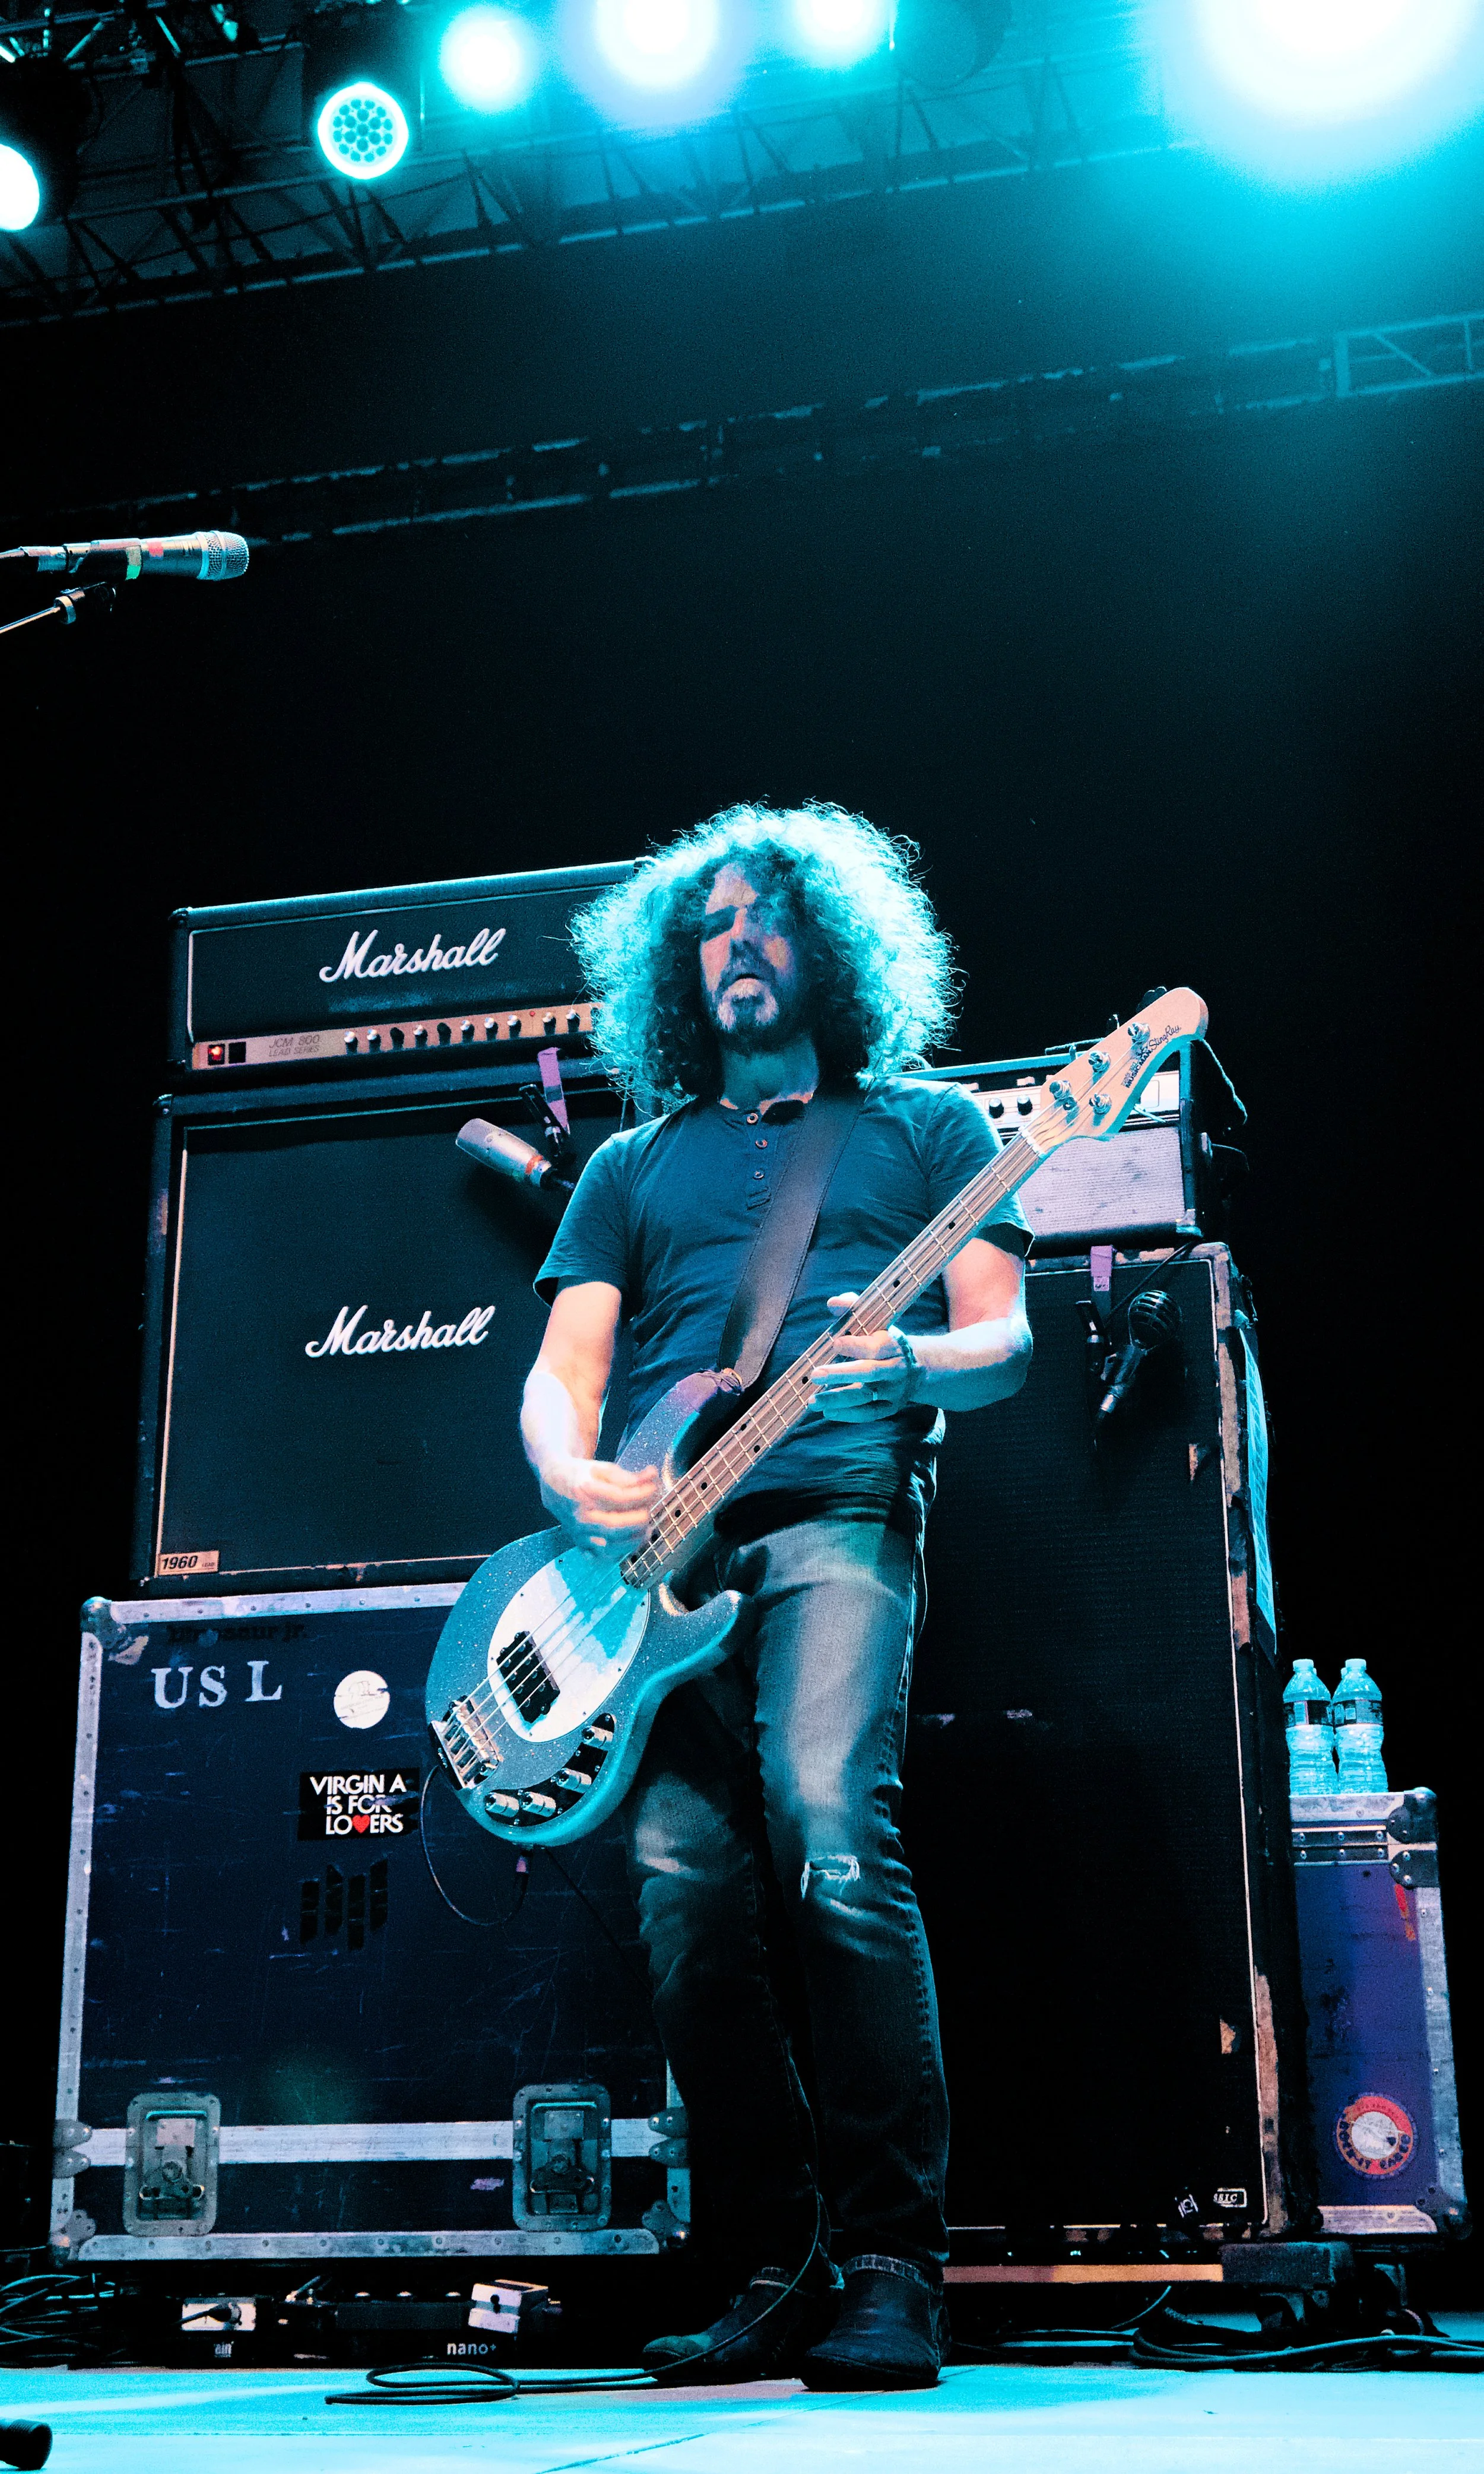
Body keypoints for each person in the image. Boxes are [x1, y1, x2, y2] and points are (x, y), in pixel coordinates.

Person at [521, 804, 1032, 2389]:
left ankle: (891, 2260)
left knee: (828, 1832)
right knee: (685, 1901)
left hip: (838, 1519)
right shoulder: (631, 1161)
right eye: (710, 926)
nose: (736, 944)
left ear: (829, 944)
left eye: (766, 918)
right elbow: (561, 1375)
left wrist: (909, 1354)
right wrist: (564, 1472)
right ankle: (771, 2252)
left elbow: (1001, 1340)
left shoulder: (929, 1134)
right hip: (654, 1566)